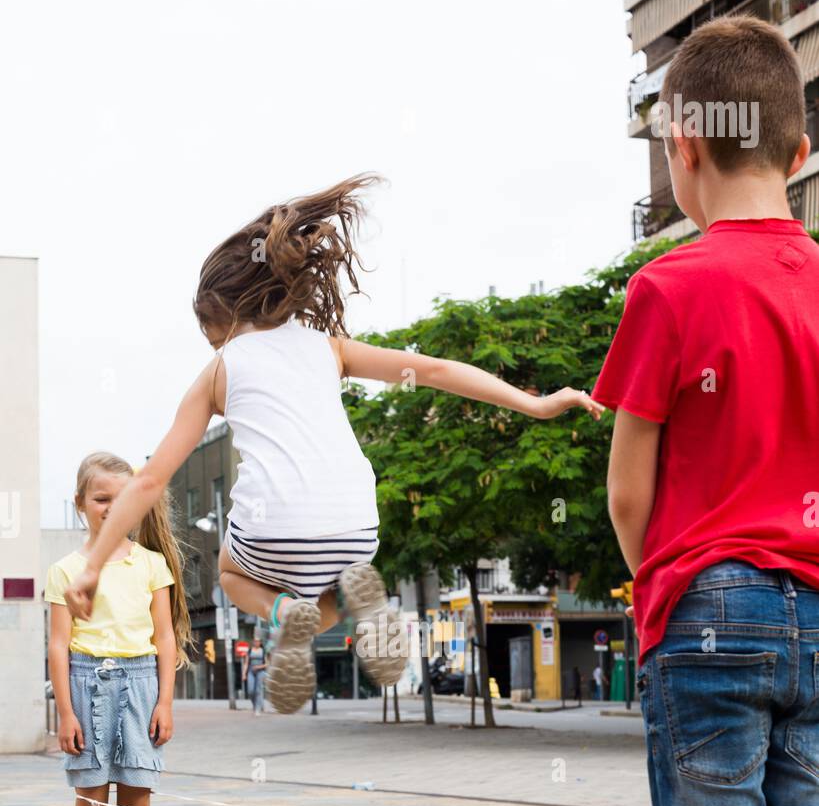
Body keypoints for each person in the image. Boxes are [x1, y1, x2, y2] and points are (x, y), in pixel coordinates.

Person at [63, 174, 602, 716]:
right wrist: (535, 404)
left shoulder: (219, 371)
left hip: (274, 532)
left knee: (228, 571)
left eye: (207, 331)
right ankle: (349, 604)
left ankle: (283, 619)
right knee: (327, 586)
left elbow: (152, 478)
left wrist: (92, 566)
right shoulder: (329, 347)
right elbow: (434, 370)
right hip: (354, 529)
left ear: (222, 317)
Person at [596, 15, 819, 806]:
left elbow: (631, 487)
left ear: (683, 148)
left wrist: (658, 583)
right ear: (798, 146)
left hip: (711, 608)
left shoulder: (670, 287)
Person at [45, 453, 191, 806]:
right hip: (87, 685)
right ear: (80, 504)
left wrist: (165, 702)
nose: (111, 508)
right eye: (100, 498)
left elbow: (166, 637)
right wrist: (65, 711)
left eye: (121, 499)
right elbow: (58, 646)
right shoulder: (65, 571)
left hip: (140, 685)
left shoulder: (151, 565)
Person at [242, 633, 267, 715]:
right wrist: (244, 674)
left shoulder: (263, 651)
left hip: (260, 672)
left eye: (258, 641)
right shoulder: (249, 651)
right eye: (255, 641)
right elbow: (246, 663)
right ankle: (254, 705)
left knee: (258, 690)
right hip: (251, 672)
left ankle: (257, 709)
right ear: (253, 642)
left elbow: (267, 664)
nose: (256, 642)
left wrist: (259, 667)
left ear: (260, 642)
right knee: (251, 690)